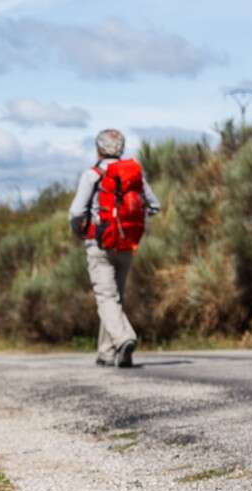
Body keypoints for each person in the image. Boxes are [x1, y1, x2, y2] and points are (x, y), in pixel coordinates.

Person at [67, 129, 160, 368]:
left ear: (98, 149)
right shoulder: (134, 174)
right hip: (127, 243)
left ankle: (124, 339)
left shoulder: (93, 175)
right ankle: (106, 352)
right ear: (121, 148)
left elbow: (76, 212)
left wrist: (80, 231)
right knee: (114, 298)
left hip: (99, 244)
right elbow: (154, 205)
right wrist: (131, 222)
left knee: (106, 297)